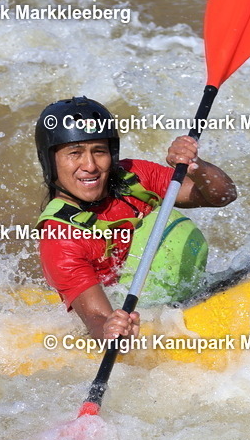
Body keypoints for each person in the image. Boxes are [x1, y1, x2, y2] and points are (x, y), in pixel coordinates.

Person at [35, 96, 236, 341]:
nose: (90, 165)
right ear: (50, 162)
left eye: (99, 151)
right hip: (135, 313)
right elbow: (96, 319)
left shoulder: (133, 177)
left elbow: (222, 195)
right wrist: (112, 330)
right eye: (74, 153)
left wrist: (196, 166)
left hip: (183, 293)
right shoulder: (60, 240)